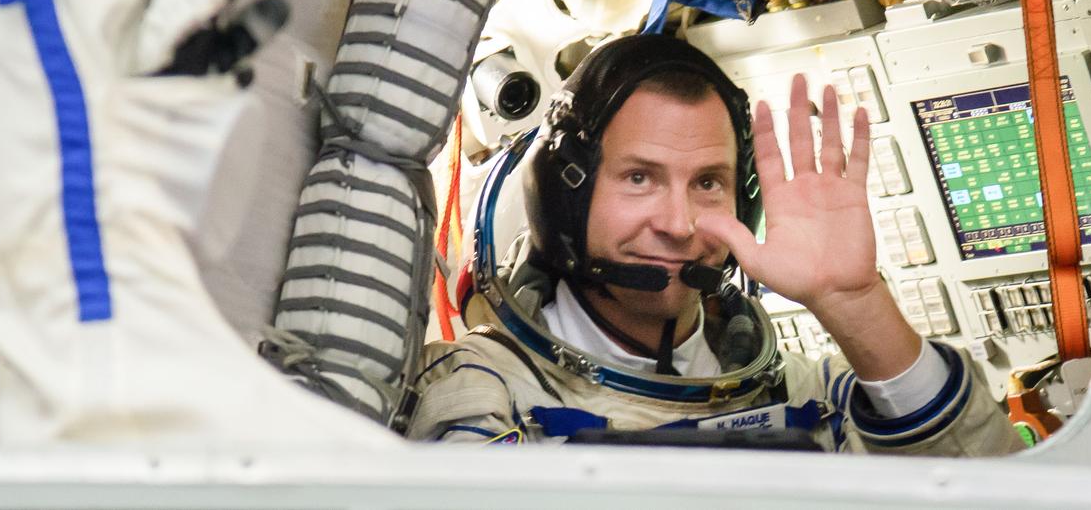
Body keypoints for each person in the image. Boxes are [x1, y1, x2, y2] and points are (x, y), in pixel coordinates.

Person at [407, 34, 1021, 453]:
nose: (679, 224)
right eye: (639, 178)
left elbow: (990, 493)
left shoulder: (808, 395)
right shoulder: (479, 390)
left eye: (708, 183)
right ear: (564, 196)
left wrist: (854, 301)